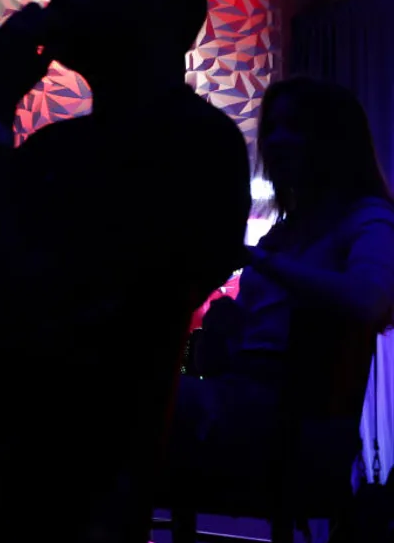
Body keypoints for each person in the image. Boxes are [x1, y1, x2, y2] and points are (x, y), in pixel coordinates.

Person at [0, 0, 252, 542]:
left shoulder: (200, 146)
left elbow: (22, 290)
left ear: (162, 11)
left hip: (74, 461)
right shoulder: (54, 148)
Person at [166, 78, 394, 531]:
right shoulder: (283, 233)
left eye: (298, 128)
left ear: (335, 140)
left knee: (127, 401)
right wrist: (225, 333)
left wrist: (259, 261)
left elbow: (371, 300)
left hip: (296, 426)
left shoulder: (368, 218)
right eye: (272, 127)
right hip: (248, 401)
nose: (277, 140)